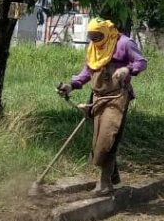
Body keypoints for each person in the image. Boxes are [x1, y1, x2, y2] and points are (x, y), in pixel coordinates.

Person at [57, 18, 147, 195]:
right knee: (99, 139)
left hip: (117, 97)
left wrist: (127, 69)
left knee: (108, 137)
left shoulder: (124, 43)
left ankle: (105, 183)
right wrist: (71, 85)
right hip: (98, 97)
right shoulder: (93, 47)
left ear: (106, 32)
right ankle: (111, 178)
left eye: (98, 36)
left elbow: (142, 62)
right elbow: (88, 71)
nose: (94, 40)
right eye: (91, 36)